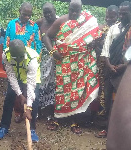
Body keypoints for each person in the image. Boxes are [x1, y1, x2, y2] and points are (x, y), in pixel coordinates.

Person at [43, 0, 100, 134]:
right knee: (62, 90)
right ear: (68, 9)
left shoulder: (87, 21)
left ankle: (74, 121)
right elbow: (47, 36)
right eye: (71, 10)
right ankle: (58, 118)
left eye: (77, 10)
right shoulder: (61, 20)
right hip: (64, 61)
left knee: (77, 91)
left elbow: (93, 37)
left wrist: (91, 43)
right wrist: (52, 51)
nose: (74, 13)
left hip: (80, 62)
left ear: (81, 10)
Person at [96, 1, 131, 138]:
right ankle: (107, 129)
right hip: (110, 69)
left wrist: (123, 65)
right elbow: (105, 50)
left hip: (126, 71)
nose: (121, 16)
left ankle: (120, 132)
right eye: (120, 13)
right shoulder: (114, 28)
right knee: (108, 100)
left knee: (122, 101)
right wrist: (110, 65)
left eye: (124, 13)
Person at [0, 39, 41, 142]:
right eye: (16, 57)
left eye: (21, 56)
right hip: (16, 76)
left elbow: (31, 86)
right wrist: (20, 95)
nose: (19, 59)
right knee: (9, 97)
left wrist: (28, 108)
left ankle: (32, 129)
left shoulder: (32, 59)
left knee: (34, 100)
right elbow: (11, 76)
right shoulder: (6, 55)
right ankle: (4, 127)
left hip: (31, 79)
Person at [94, 5, 119, 138]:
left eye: (112, 16)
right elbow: (98, 49)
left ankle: (106, 125)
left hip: (113, 66)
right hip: (101, 66)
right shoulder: (101, 29)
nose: (109, 19)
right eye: (107, 16)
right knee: (100, 93)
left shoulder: (120, 30)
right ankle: (99, 123)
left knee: (108, 95)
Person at [35, 2, 58, 130]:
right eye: (46, 12)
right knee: (40, 82)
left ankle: (50, 113)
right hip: (42, 57)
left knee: (53, 84)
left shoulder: (60, 22)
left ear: (54, 10)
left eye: (50, 12)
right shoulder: (40, 22)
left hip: (56, 57)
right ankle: (37, 110)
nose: (48, 15)